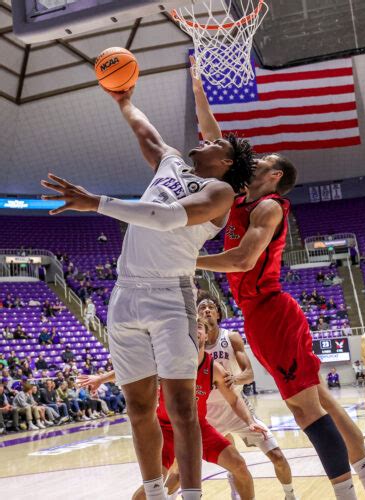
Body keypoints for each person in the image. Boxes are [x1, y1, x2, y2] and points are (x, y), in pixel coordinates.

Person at [192, 61, 365, 500]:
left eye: (265, 162)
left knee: (306, 410)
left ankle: (349, 493)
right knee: (320, 404)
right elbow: (213, 136)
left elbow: (242, 258)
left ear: (275, 177)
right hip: (260, 314)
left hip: (271, 310)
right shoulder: (238, 194)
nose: (255, 161)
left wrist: (188, 260)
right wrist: (197, 85)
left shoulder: (269, 206)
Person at [41, 68, 254, 500]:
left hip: (170, 297)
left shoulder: (219, 195)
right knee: (138, 408)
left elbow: (165, 218)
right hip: (125, 295)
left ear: (226, 164)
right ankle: (156, 494)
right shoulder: (173, 161)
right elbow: (147, 133)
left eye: (216, 143)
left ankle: (192, 495)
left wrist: (95, 202)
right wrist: (123, 101)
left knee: (180, 408)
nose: (207, 138)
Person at [79, 318, 267, 500]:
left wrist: (251, 421)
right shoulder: (167, 360)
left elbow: (234, 400)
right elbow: (135, 370)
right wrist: (101, 379)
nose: (194, 330)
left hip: (197, 428)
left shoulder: (214, 368)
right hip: (165, 430)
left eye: (199, 326)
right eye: (189, 327)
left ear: (206, 335)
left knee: (240, 466)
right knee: (151, 489)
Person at [197, 292, 297, 500]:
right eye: (201, 308)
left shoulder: (231, 337)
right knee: (227, 464)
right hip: (207, 416)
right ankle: (234, 488)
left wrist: (235, 379)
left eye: (210, 307)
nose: (206, 310)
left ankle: (290, 495)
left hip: (237, 408)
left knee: (277, 456)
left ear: (218, 313)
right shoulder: (193, 344)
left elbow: (249, 374)